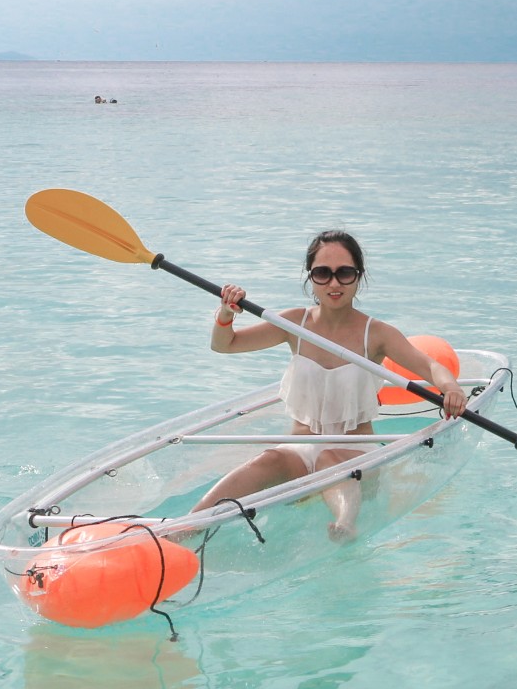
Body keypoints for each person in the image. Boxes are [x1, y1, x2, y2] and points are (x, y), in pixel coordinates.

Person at [195, 230, 465, 540]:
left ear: (358, 277)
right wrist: (226, 311)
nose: (334, 283)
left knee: (329, 460)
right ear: (311, 278)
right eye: (323, 273)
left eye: (344, 273)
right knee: (269, 459)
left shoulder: (376, 333)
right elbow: (225, 345)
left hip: (355, 455)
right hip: (298, 452)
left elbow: (432, 366)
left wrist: (452, 389)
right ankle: (181, 528)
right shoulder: (292, 323)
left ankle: (345, 525)